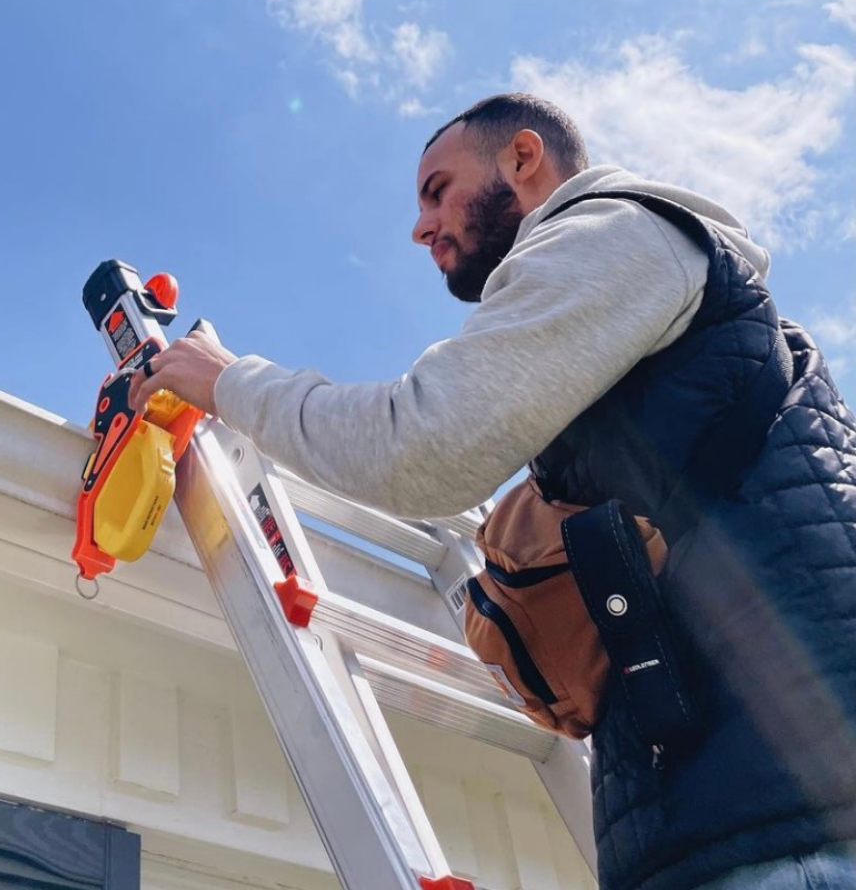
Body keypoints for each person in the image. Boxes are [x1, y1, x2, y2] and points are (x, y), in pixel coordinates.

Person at [127, 93, 856, 890]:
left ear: (522, 157)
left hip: (778, 826)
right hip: (747, 805)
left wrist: (228, 382)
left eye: (437, 191)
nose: (421, 227)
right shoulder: (642, 310)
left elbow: (420, 446)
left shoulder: (615, 235)